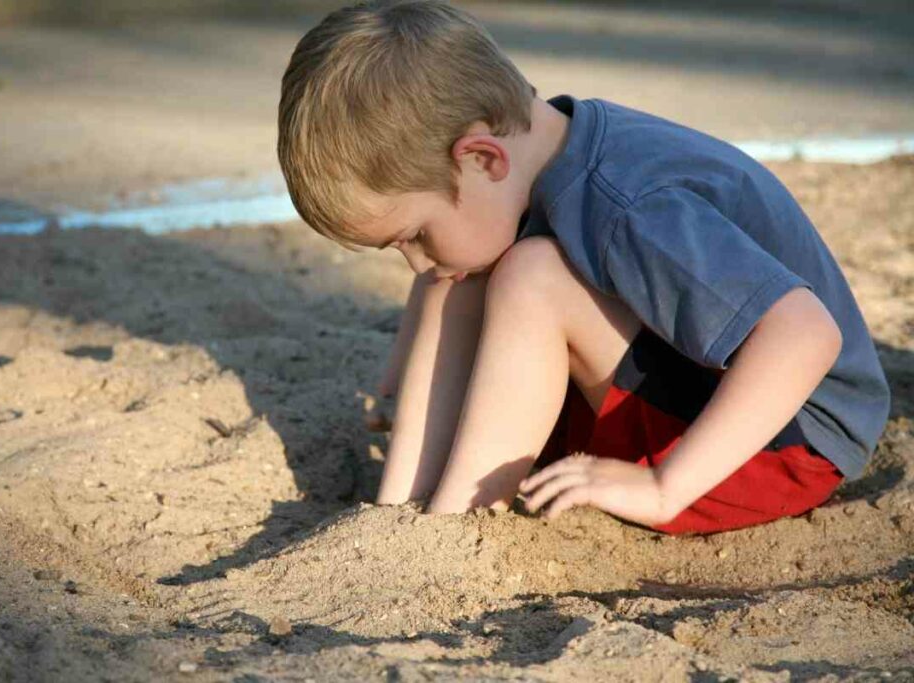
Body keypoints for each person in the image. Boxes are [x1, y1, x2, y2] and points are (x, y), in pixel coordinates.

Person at [276, 0, 890, 534]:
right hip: (699, 390)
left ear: (483, 158)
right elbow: (441, 276)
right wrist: (399, 388)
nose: (415, 260)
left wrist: (662, 487)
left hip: (776, 445)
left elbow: (806, 333)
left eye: (413, 235)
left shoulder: (631, 204)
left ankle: (455, 525)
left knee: (529, 276)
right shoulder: (549, 144)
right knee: (459, 267)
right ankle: (400, 512)